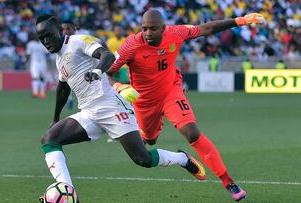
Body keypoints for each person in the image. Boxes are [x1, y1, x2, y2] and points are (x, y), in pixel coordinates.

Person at [35, 14, 206, 202]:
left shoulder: (78, 42)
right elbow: (63, 88)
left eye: (48, 35)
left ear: (59, 31)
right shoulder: (59, 58)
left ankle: (183, 159)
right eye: (41, 38)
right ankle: (67, 192)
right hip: (89, 113)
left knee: (143, 159)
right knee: (49, 139)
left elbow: (106, 55)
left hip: (112, 108)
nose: (46, 41)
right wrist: (55, 118)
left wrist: (97, 70)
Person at [108, 9, 266, 202]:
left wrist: (240, 20)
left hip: (170, 92)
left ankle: (228, 181)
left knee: (192, 132)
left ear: (164, 28)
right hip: (144, 101)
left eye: (153, 29)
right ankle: (180, 156)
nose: (148, 33)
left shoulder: (175, 33)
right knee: (150, 140)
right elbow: (107, 72)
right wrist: (118, 85)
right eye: (144, 29)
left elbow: (207, 28)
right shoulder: (131, 45)